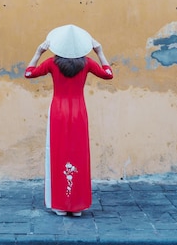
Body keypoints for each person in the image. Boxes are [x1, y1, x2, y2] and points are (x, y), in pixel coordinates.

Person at [24, 24, 113, 217]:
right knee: (79, 154)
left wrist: (39, 51)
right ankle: (77, 205)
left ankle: (59, 204)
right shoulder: (87, 63)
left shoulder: (52, 63)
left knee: (57, 153)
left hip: (58, 112)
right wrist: (100, 51)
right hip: (79, 113)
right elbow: (108, 74)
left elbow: (29, 73)